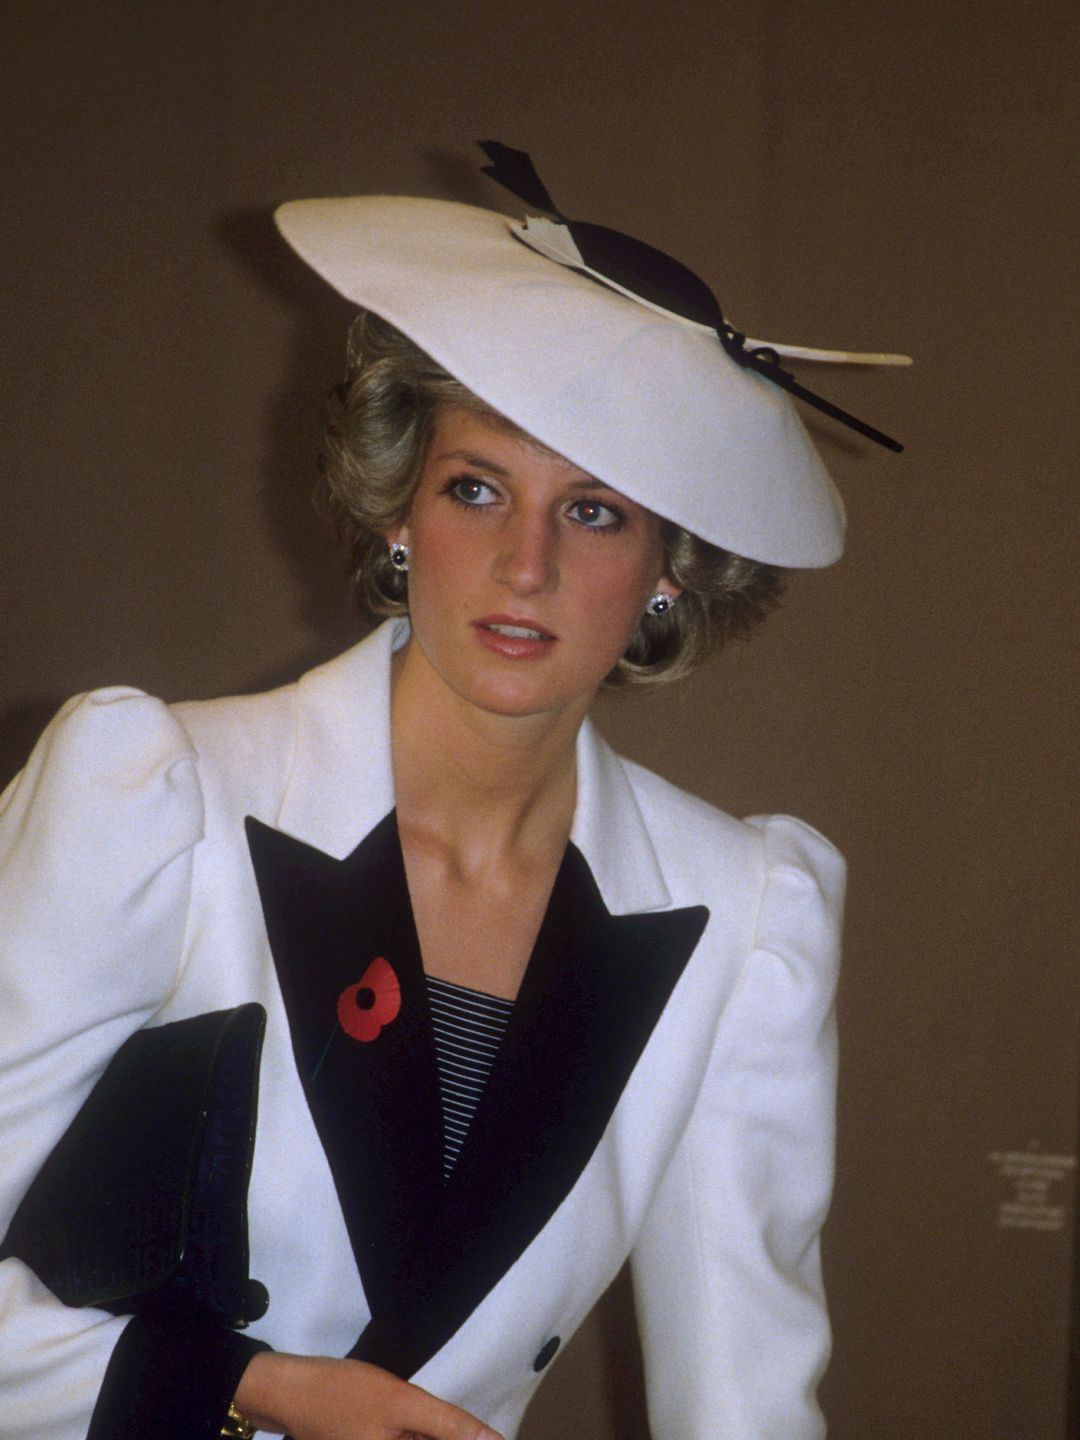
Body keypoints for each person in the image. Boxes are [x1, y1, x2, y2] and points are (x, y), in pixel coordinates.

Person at [0, 150, 903, 1440]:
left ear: (672, 571)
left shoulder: (740, 916)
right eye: (476, 488)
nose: (522, 563)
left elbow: (743, 1402)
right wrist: (249, 1387)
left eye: (593, 512)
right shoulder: (160, 800)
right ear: (399, 515)